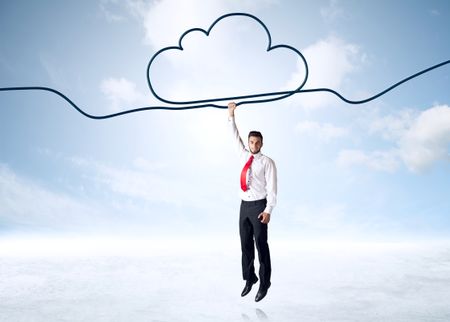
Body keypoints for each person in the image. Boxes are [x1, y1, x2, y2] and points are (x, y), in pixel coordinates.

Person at [227, 101, 277, 302]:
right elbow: (234, 135)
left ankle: (265, 283)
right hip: (244, 207)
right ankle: (250, 278)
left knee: (261, 246)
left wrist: (268, 210)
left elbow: (272, 190)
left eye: (257, 143)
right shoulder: (243, 155)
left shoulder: (267, 162)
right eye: (251, 142)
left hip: (259, 206)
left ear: (262, 144)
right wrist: (231, 114)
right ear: (248, 143)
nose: (253, 146)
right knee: (245, 245)